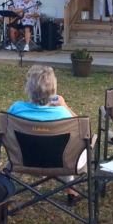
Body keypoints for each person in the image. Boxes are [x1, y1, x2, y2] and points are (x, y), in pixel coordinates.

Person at [7, 65, 84, 206]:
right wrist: (65, 106)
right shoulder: (63, 114)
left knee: (63, 146)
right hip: (59, 161)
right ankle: (71, 191)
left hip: (23, 159)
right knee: (68, 147)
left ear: (28, 89)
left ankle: (4, 191)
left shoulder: (16, 109)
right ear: (53, 91)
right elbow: (83, 129)